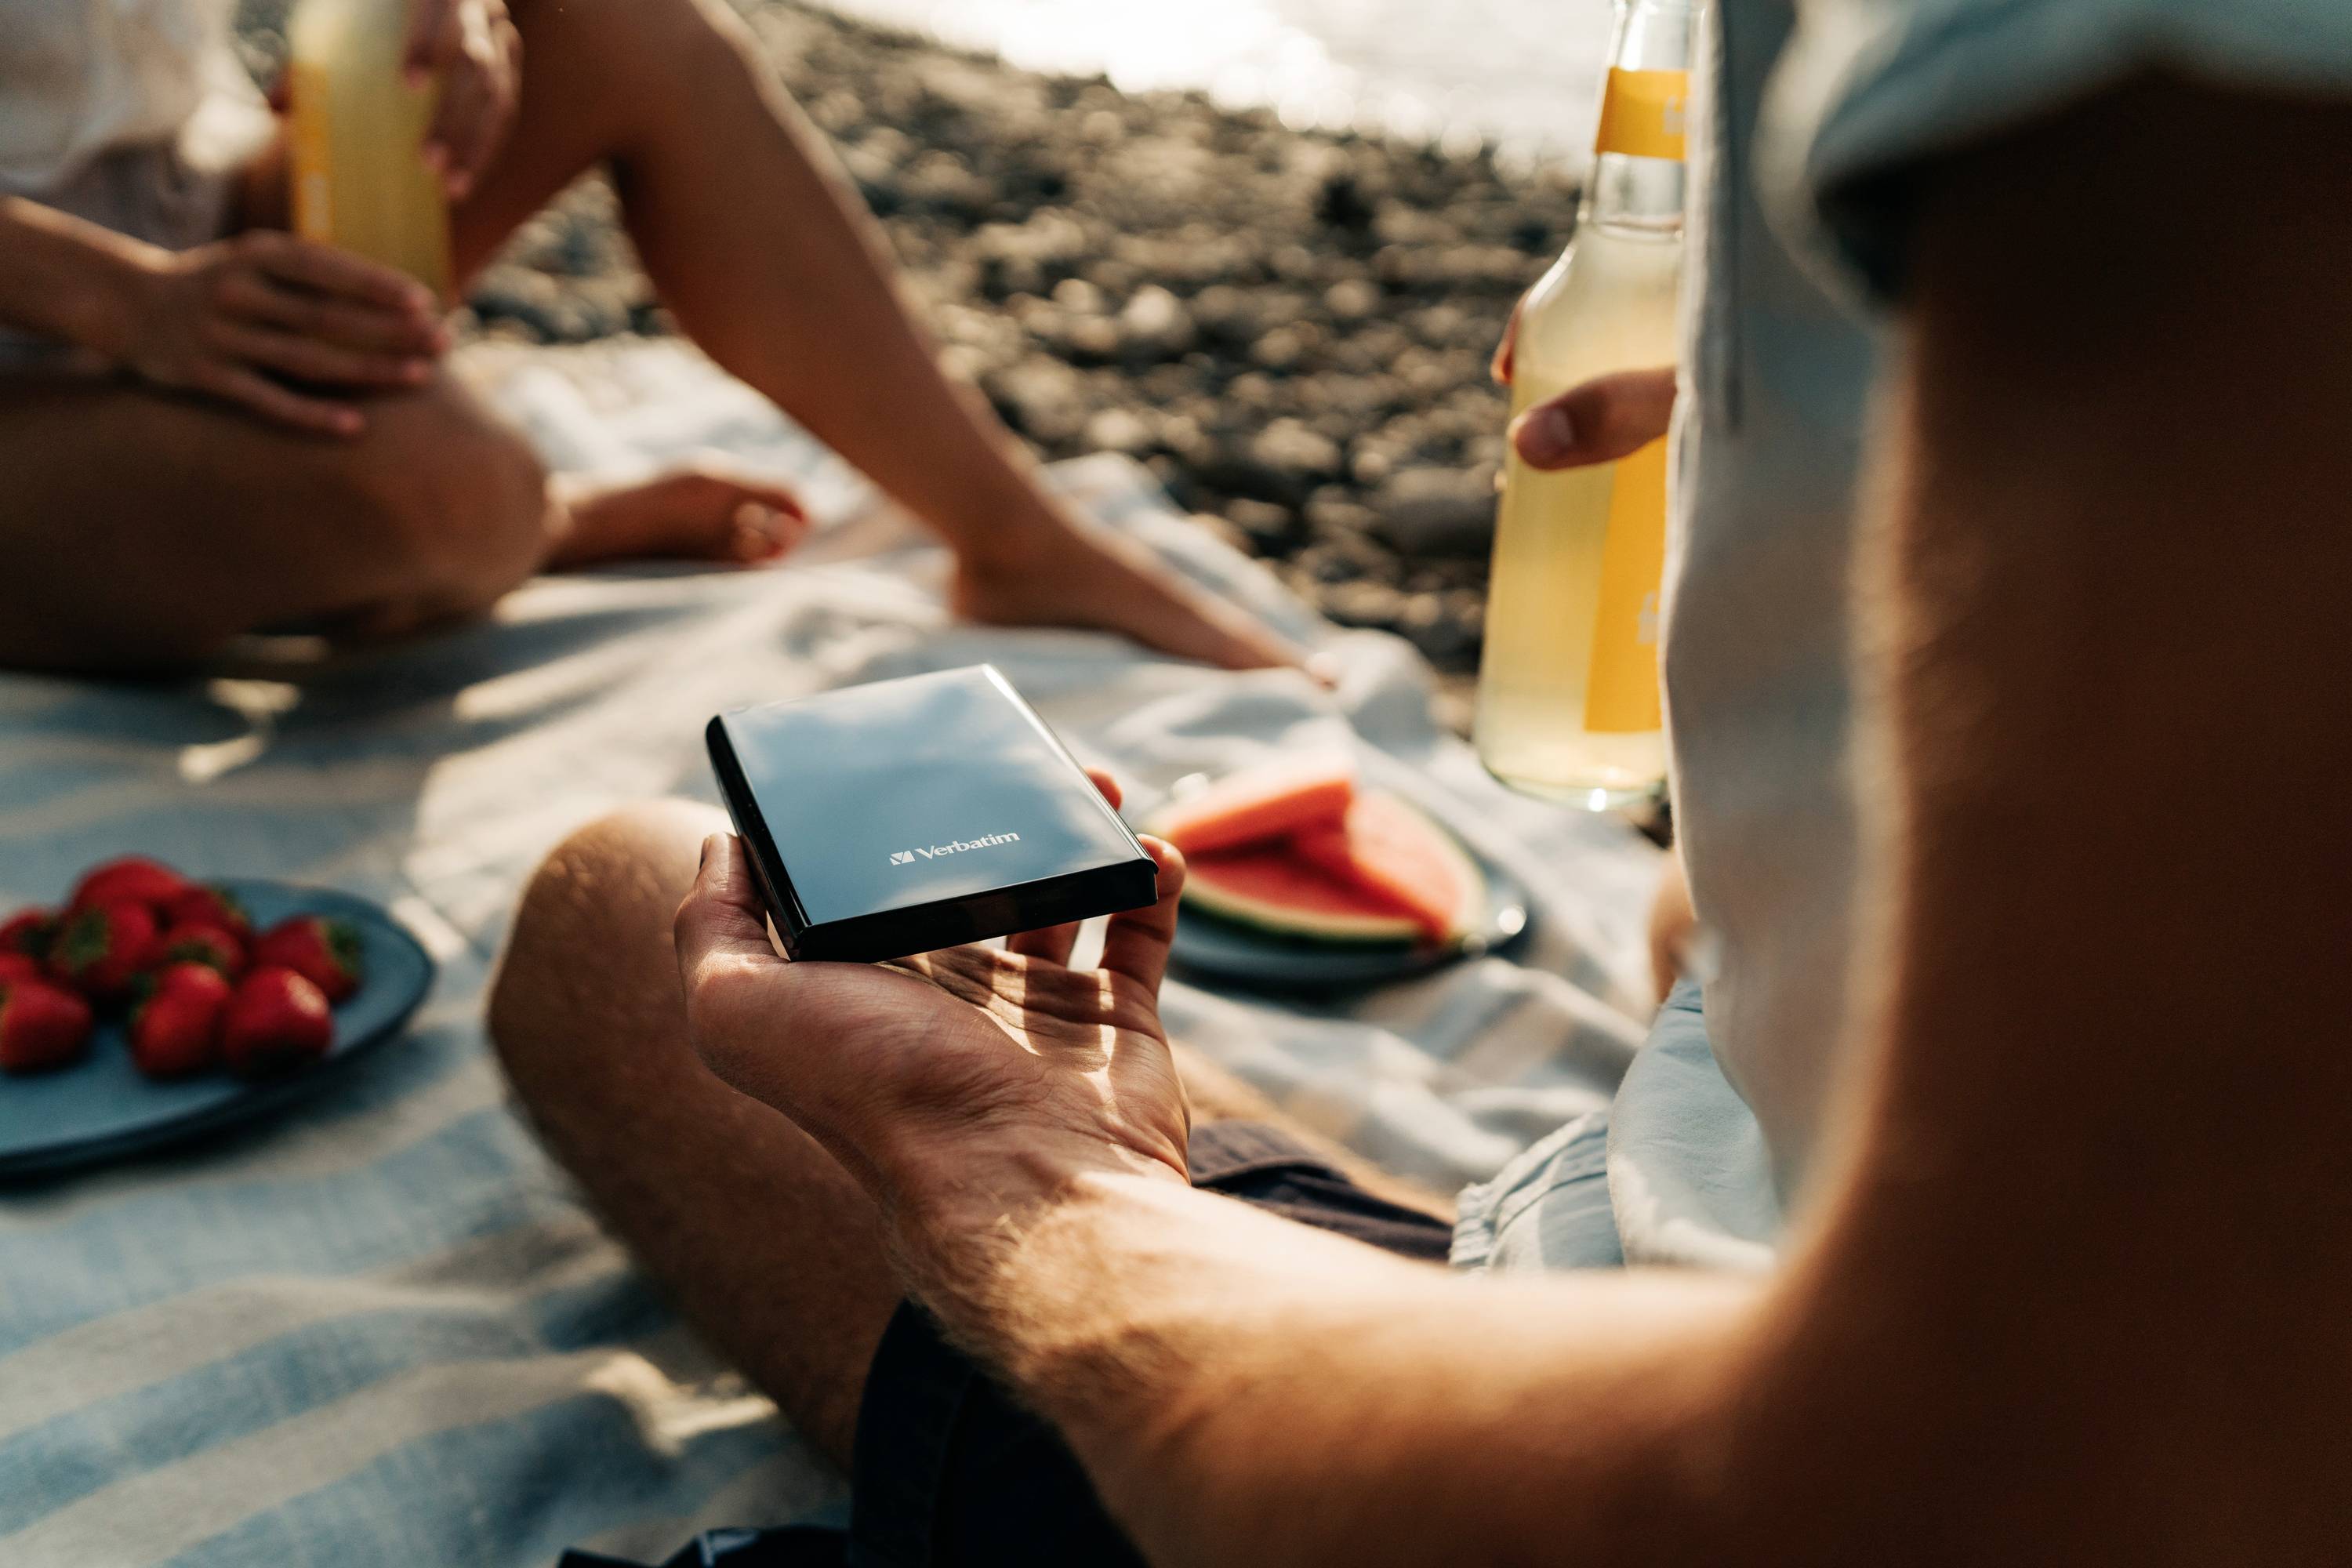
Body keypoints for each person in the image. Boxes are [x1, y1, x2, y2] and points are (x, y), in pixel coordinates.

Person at [488, 0, 2352, 1559]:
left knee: (616, 914)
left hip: (1670, 1467)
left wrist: (1031, 1192)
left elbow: (2020, 1483)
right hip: (1755, 1295)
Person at [0, 0, 1305, 676]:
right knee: (455, 485)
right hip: (41, 345)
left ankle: (1016, 543)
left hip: (176, 211)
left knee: (627, 24)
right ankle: (547, 524)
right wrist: (121, 304)